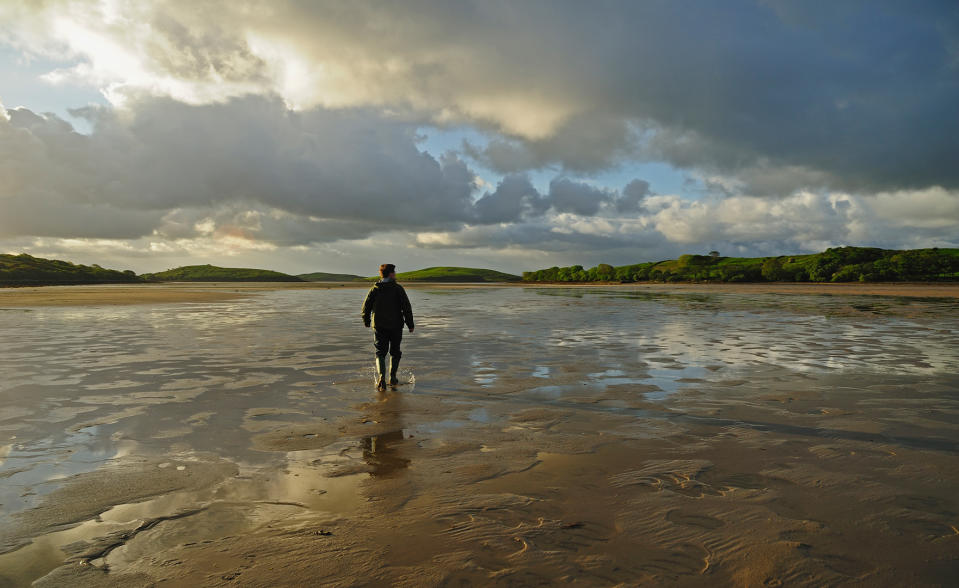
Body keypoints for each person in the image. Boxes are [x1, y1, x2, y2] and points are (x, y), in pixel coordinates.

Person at [361, 263, 414, 391]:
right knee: (395, 352)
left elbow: (365, 307)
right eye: (394, 272)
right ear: (390, 274)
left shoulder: (375, 289)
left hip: (379, 325)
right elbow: (406, 308)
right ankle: (392, 377)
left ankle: (381, 379)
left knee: (380, 352)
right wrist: (410, 324)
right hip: (395, 326)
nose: (395, 274)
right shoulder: (398, 289)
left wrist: (366, 320)